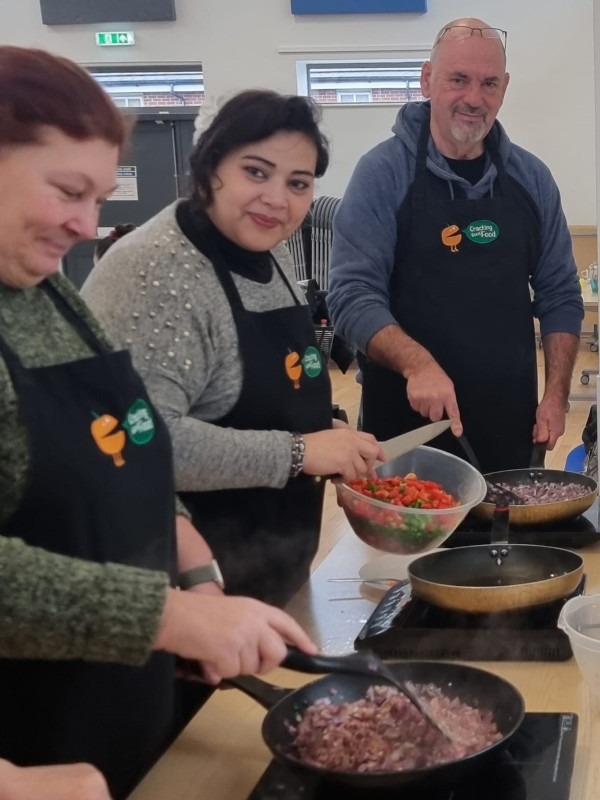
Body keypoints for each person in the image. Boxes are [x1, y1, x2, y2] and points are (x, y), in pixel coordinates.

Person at [0, 46, 317, 800]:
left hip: (124, 705)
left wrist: (197, 577)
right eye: (69, 191)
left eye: (100, 194)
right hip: (35, 737)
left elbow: (134, 445)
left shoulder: (45, 292)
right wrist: (166, 616)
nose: (87, 226)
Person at [83, 90, 384, 608]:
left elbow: (259, 394)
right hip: (180, 596)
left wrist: (323, 427)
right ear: (208, 167)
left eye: (298, 183)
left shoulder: (272, 253)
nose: (277, 199)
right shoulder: (158, 270)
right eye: (256, 172)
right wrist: (300, 451)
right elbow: (142, 444)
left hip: (272, 579)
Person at [327, 17, 584, 474]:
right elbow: (350, 296)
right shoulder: (382, 175)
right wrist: (417, 364)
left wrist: (557, 396)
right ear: (428, 79)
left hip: (512, 430)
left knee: (508, 547)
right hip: (405, 433)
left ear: (504, 88)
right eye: (458, 79)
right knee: (408, 549)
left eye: (488, 84)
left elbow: (560, 294)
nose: (473, 98)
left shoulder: (532, 180)